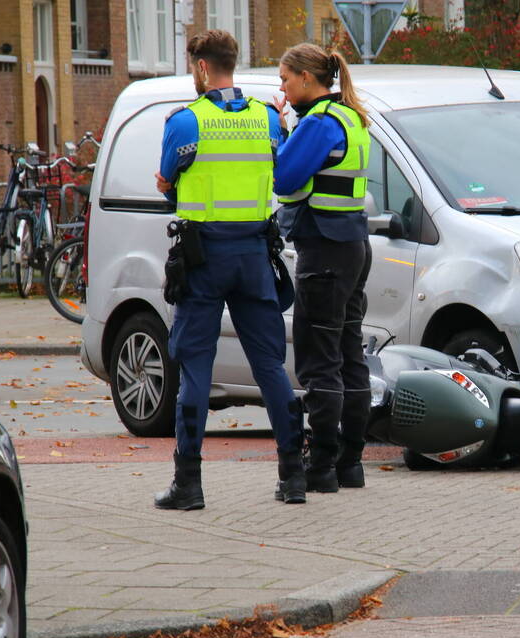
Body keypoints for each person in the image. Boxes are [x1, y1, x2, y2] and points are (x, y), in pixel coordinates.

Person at [152, 30, 306, 509]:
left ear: (201, 67)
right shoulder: (266, 117)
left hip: (203, 258)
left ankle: (189, 484)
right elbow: (279, 169)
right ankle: (292, 476)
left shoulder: (186, 121)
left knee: (195, 364)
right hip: (256, 255)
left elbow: (165, 181)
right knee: (269, 365)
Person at [272, 43, 372, 493]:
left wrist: (279, 131)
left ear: (308, 79)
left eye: (286, 79)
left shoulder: (318, 123)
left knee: (320, 362)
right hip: (351, 245)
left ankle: (322, 468)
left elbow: (284, 177)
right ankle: (351, 463)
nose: (282, 86)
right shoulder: (349, 115)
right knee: (350, 357)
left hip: (324, 250)